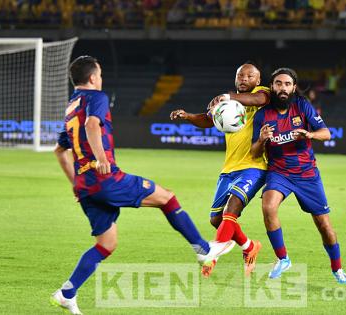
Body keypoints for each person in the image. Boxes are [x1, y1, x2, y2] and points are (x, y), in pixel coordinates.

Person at [51, 56, 234, 314]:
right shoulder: (97, 98)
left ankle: (67, 293)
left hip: (86, 187)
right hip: (105, 178)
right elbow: (93, 125)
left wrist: (75, 183)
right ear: (93, 78)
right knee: (167, 198)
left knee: (106, 244)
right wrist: (101, 158)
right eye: (100, 74)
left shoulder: (71, 107)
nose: (100, 78)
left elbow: (60, 151)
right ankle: (203, 249)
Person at [250, 67, 346, 284]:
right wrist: (261, 140)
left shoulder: (302, 106)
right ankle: (283, 258)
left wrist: (310, 134)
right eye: (278, 83)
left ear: (294, 87)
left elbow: (326, 133)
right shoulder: (262, 115)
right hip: (279, 172)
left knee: (324, 224)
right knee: (268, 206)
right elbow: (254, 153)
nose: (283, 88)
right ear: (272, 86)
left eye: (287, 84)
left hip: (307, 174)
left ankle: (337, 268)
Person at [170, 62, 270, 277]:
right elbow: (208, 119)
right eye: (240, 75)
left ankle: (212, 255)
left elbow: (257, 100)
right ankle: (249, 247)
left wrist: (228, 96)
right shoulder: (226, 103)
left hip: (254, 165)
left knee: (230, 212)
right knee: (216, 219)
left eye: (249, 76)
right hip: (229, 167)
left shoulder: (262, 95)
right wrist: (188, 116)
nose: (244, 78)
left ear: (258, 80)